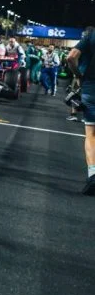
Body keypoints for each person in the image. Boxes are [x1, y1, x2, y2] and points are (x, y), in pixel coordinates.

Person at [66, 27, 95, 194]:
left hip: (91, 87)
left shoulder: (90, 36)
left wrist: (78, 75)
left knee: (91, 134)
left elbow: (71, 57)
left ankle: (93, 175)